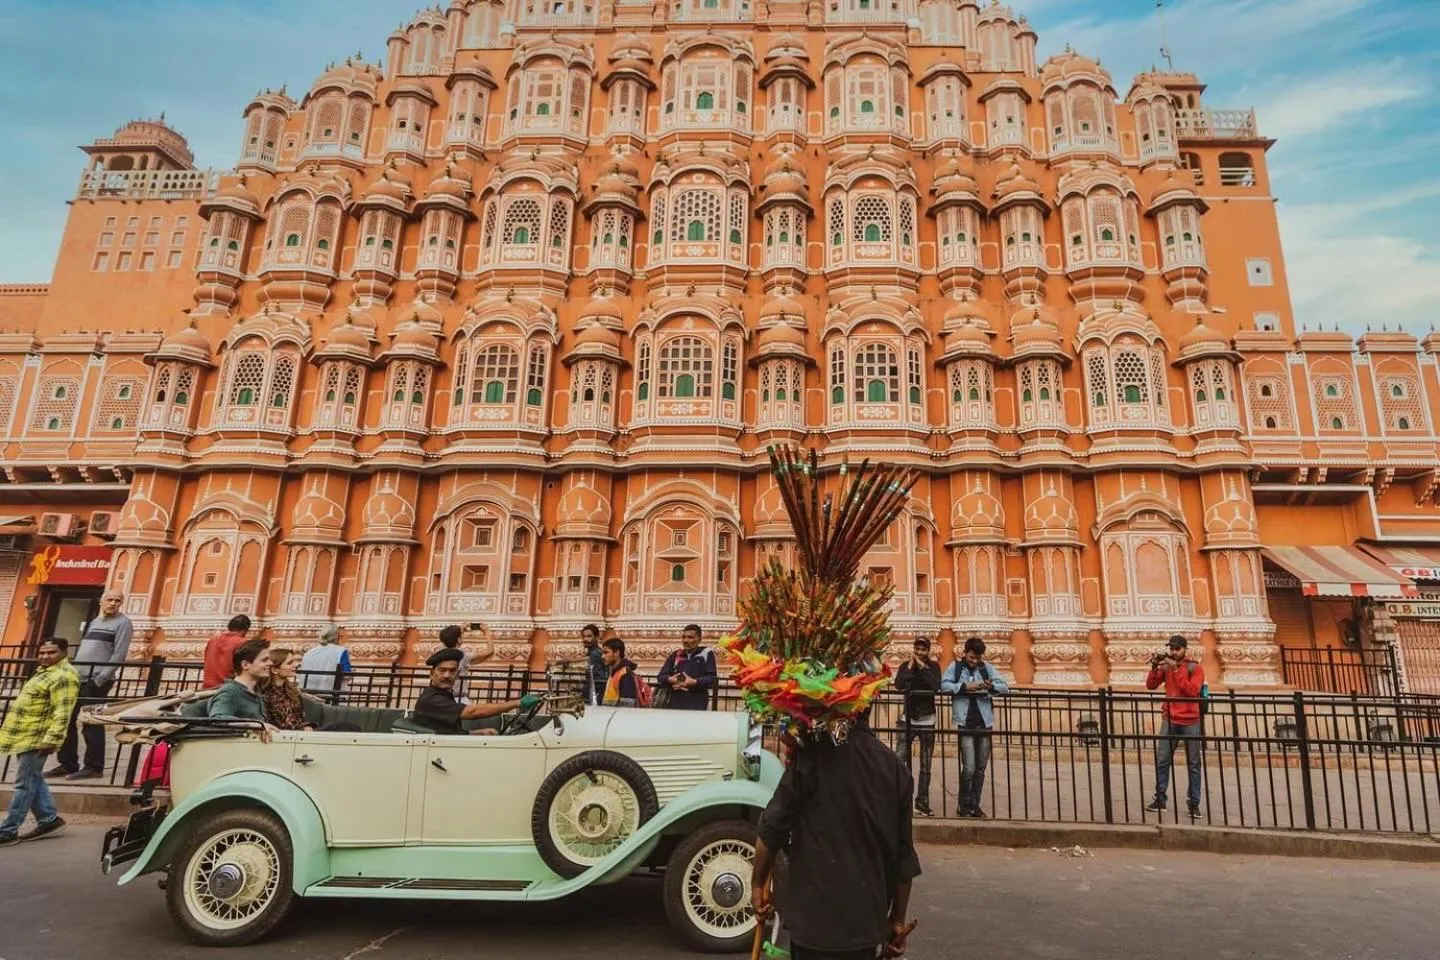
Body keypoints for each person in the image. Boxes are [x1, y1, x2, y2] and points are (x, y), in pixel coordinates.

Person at [753, 713, 921, 960]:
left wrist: (757, 883)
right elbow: (903, 857)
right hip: (865, 926)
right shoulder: (896, 770)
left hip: (812, 923)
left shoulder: (810, 756)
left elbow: (771, 829)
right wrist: (897, 919)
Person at [0, 639, 78, 845]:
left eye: (50, 652)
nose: (44, 656)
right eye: (42, 652)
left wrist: (51, 739)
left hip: (37, 738)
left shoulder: (63, 676)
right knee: (32, 779)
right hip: (24, 735)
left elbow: (62, 712)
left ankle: (8, 831)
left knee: (24, 785)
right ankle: (48, 819)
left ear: (63, 652)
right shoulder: (45, 671)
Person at [50, 590, 132, 781]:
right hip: (78, 677)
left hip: (97, 680)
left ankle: (94, 767)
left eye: (117, 601)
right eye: (110, 600)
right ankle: (67, 763)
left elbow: (119, 653)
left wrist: (101, 679)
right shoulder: (95, 621)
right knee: (66, 720)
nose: (113, 603)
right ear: (101, 601)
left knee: (91, 723)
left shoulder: (123, 623)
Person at [940, 636, 1008, 818]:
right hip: (965, 723)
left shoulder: (986, 669)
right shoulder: (955, 668)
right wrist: (964, 686)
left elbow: (1005, 686)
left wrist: (990, 685)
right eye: (971, 657)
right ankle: (963, 804)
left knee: (980, 768)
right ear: (965, 653)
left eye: (977, 658)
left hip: (984, 723)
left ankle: (974, 804)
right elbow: (944, 686)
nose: (974, 661)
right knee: (969, 767)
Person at [412, 648, 540, 736]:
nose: (447, 675)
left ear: (457, 675)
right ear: (431, 674)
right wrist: (518, 703)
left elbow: (446, 731)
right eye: (442, 670)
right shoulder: (431, 699)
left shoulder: (444, 695)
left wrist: (477, 733)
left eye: (452, 671)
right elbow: (473, 712)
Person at [1146, 635, 1205, 818]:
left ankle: (1194, 803)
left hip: (1191, 720)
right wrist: (1155, 666)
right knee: (1162, 760)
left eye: (1177, 649)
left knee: (1194, 764)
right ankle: (1160, 799)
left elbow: (1192, 691)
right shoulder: (1167, 667)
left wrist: (1176, 669)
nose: (1173, 652)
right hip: (1169, 719)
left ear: (1185, 650)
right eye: (1171, 649)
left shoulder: (1195, 668)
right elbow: (1150, 685)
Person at [894, 636, 941, 817]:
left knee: (926, 765)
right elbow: (899, 684)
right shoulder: (906, 666)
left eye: (923, 649)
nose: (920, 652)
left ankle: (922, 802)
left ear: (928, 651)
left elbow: (935, 685)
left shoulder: (934, 667)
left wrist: (923, 667)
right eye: (917, 649)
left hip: (927, 720)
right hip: (908, 719)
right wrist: (910, 667)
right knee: (899, 761)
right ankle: (898, 800)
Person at [206, 639, 272, 722]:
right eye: (264, 660)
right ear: (245, 665)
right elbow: (218, 719)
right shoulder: (230, 691)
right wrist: (254, 725)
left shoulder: (255, 691)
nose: (270, 663)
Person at [655, 623, 717, 710]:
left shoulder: (707, 653)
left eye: (690, 637)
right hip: (674, 702)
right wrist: (671, 679)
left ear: (699, 639)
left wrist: (695, 682)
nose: (685, 640)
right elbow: (661, 676)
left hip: (697, 702)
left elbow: (712, 678)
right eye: (683, 637)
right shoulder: (676, 654)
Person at [259, 648, 312, 731]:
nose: (295, 665)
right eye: (289, 663)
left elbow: (300, 717)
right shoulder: (265, 693)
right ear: (275, 670)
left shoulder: (292, 690)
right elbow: (273, 723)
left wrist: (306, 727)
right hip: (282, 736)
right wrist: (302, 728)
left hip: (301, 733)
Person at [299, 624, 352, 697]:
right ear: (336, 637)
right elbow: (346, 675)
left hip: (307, 694)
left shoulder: (309, 652)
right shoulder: (341, 651)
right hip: (329, 695)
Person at [202, 615, 252, 689]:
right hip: (229, 688)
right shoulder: (242, 643)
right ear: (246, 629)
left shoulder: (213, 641)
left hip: (208, 686)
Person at [601, 638, 643, 707]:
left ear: (617, 653)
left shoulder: (625, 674)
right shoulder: (615, 672)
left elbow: (627, 706)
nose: (602, 656)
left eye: (606, 652)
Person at [580, 623, 606, 706]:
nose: (585, 639)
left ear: (597, 637)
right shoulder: (591, 652)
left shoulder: (595, 654)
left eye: (589, 636)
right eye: (584, 636)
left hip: (596, 693)